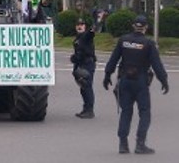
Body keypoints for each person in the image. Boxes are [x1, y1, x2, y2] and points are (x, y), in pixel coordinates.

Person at [103, 15, 168, 154]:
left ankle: (123, 144)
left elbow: (113, 59)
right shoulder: (148, 44)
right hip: (140, 81)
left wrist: (107, 75)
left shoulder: (123, 40)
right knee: (144, 112)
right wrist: (164, 80)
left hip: (125, 81)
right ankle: (140, 144)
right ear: (145, 27)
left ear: (133, 26)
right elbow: (157, 65)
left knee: (126, 112)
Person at [70, 18, 96, 119]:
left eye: (82, 24)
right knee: (83, 88)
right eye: (77, 24)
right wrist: (74, 58)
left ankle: (90, 110)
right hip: (81, 64)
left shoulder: (86, 36)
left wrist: (95, 24)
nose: (79, 26)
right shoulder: (77, 38)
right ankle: (85, 109)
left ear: (85, 26)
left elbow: (91, 33)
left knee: (87, 87)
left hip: (88, 64)